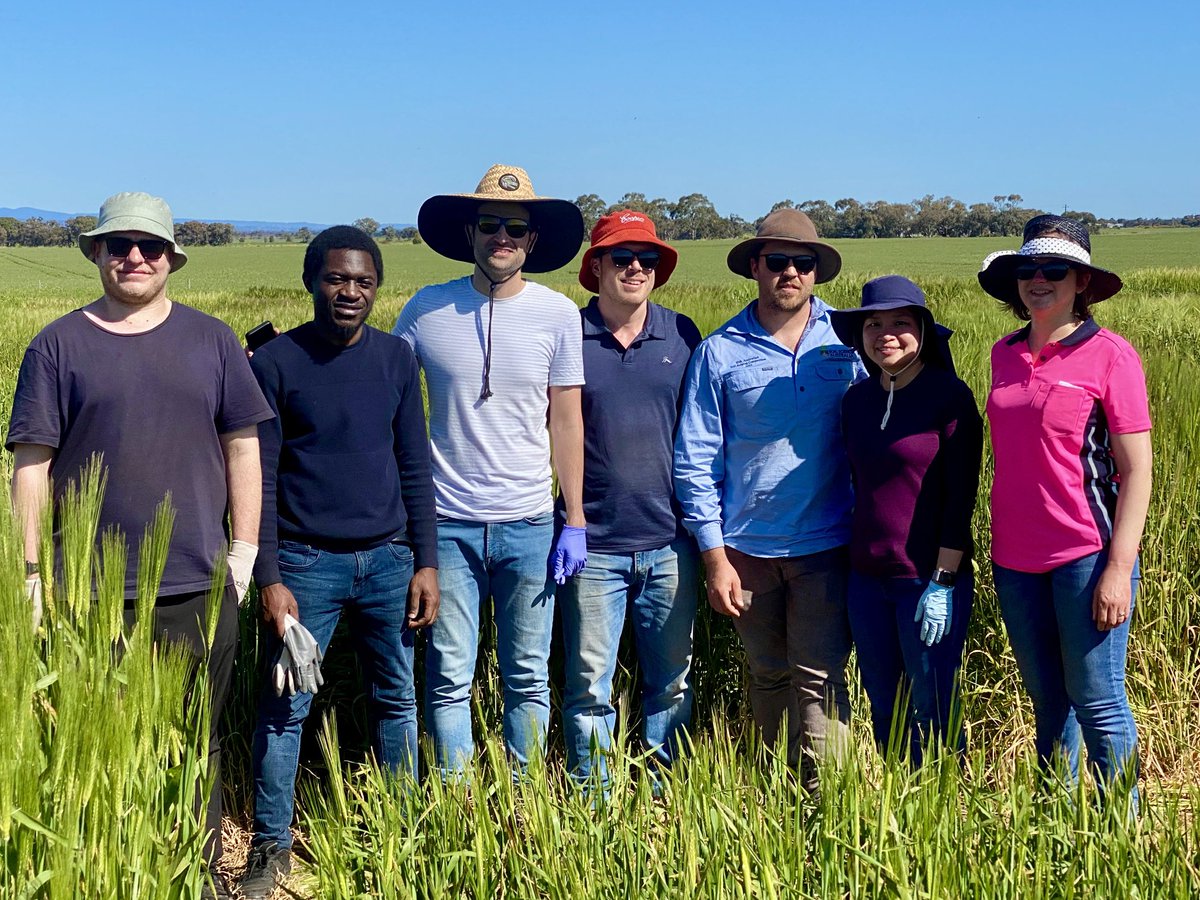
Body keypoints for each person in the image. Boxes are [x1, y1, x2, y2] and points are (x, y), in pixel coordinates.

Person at [5, 191, 272, 897]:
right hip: (85, 593)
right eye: (119, 244)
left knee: (197, 742)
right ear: (95, 252)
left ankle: (196, 876)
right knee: (94, 745)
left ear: (171, 260)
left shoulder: (213, 341)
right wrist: (31, 574)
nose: (134, 257)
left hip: (196, 584)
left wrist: (243, 552)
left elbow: (243, 451)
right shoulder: (57, 346)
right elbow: (31, 467)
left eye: (149, 246)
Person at [238, 227, 438, 898]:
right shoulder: (276, 363)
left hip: (388, 561)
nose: (349, 291)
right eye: (335, 278)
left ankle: (402, 828)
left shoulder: (396, 360)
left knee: (397, 700)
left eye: (363, 281)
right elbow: (260, 479)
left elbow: (415, 466)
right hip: (305, 567)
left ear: (376, 288)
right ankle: (271, 848)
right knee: (285, 709)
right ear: (311, 280)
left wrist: (425, 561)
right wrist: (269, 577)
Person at [392, 164, 586, 776]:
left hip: (529, 523)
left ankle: (521, 799)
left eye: (515, 228)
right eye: (490, 225)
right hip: (445, 524)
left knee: (528, 672)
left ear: (532, 242)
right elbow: (380, 388)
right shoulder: (426, 310)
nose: (502, 237)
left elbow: (567, 422)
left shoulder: (558, 314)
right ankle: (456, 801)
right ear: (470, 233)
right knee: (449, 672)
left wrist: (573, 518)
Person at [674, 208, 865, 794]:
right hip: (747, 550)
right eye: (777, 261)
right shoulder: (720, 352)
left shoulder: (849, 341)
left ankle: (827, 805)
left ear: (816, 273)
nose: (790, 272)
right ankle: (777, 791)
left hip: (828, 545)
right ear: (755, 267)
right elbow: (694, 460)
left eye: (802, 263)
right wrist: (714, 558)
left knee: (820, 678)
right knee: (768, 673)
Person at [978, 215, 1151, 804]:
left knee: (1098, 698)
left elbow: (1137, 471)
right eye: (1029, 270)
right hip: (1015, 558)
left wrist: (1117, 569)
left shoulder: (1111, 356)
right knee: (1047, 700)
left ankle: (1118, 833)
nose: (1039, 280)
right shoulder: (1003, 353)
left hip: (1086, 553)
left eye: (1055, 270)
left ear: (1081, 281)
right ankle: (1059, 820)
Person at [560, 210, 702, 792]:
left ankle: (663, 789)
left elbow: (704, 434)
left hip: (670, 542)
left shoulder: (684, 334)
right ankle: (593, 796)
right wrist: (570, 523)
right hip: (592, 547)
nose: (636, 269)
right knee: (589, 683)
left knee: (671, 678)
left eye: (647, 260)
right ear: (596, 268)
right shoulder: (567, 335)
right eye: (621, 259)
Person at [830, 275, 982, 764]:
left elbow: (962, 498)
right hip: (866, 582)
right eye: (874, 324)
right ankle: (899, 803)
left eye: (900, 323)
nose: (886, 334)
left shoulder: (949, 397)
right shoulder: (856, 401)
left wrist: (943, 581)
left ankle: (944, 802)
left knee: (934, 701)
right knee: (883, 703)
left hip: (926, 582)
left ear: (922, 330)